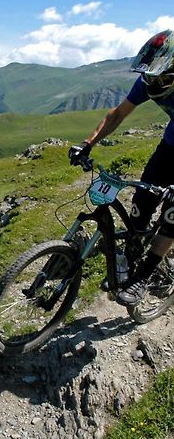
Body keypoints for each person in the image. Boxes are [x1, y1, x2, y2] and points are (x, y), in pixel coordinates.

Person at [68, 29, 174, 306]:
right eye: (148, 75)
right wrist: (87, 143)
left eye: (157, 75)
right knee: (140, 203)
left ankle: (144, 276)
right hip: (171, 146)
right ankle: (128, 257)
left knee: (173, 216)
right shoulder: (148, 82)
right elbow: (117, 114)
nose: (150, 81)